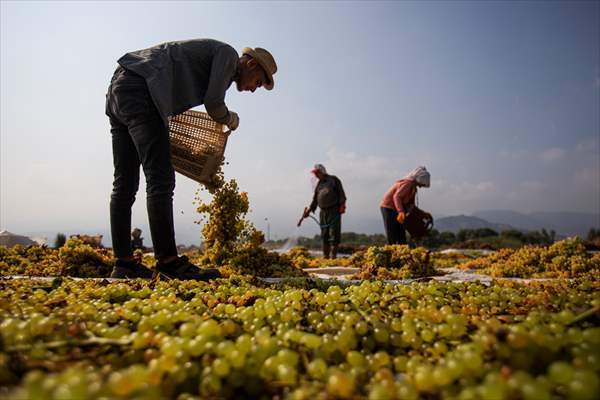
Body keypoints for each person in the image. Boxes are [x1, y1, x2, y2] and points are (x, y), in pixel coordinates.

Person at [105, 39, 277, 280]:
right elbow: (214, 104)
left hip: (121, 89)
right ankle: (168, 262)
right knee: (161, 179)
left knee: (124, 183)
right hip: (142, 88)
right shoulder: (227, 56)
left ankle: (123, 263)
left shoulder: (220, 61)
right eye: (258, 81)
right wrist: (230, 119)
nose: (254, 88)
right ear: (249, 63)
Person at [302, 164, 347, 259]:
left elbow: (341, 193)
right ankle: (325, 257)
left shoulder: (333, 180)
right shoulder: (319, 184)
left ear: (322, 171)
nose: (316, 175)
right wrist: (309, 211)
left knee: (334, 235)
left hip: (334, 210)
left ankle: (333, 257)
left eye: (317, 173)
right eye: (315, 173)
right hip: (323, 212)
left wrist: (342, 205)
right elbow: (314, 200)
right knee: (324, 235)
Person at [380, 166, 432, 245]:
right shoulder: (408, 183)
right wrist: (401, 211)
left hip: (398, 209)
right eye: (421, 184)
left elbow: (411, 206)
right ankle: (390, 252)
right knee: (392, 233)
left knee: (401, 234)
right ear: (419, 180)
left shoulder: (413, 188)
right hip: (388, 207)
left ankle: (402, 252)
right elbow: (397, 196)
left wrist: (423, 213)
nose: (421, 186)